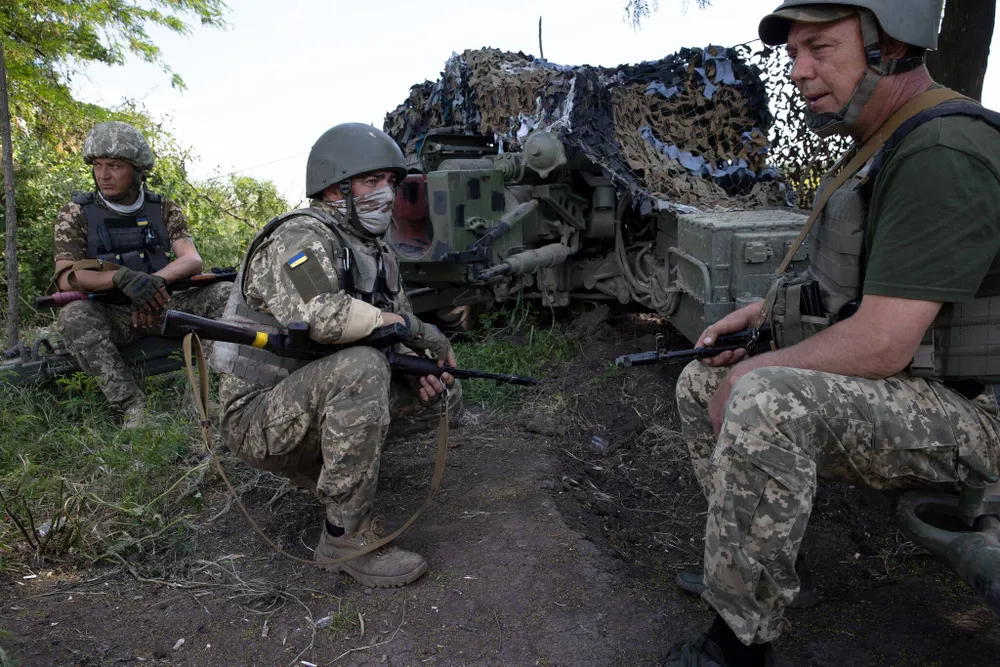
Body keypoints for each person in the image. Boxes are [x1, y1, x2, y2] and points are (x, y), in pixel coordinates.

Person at [665, 2, 1000, 665]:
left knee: (763, 398)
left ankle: (737, 645)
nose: (798, 71)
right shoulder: (885, 136)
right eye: (794, 54)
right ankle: (760, 566)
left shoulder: (942, 150)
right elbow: (858, 292)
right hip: (927, 387)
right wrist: (762, 317)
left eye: (819, 49)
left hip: (978, 413)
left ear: (890, 46)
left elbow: (882, 341)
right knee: (702, 379)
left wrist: (756, 369)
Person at [209, 122, 463, 589]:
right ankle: (344, 539)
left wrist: (418, 363)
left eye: (391, 182)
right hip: (258, 415)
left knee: (441, 393)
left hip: (309, 397)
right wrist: (416, 330)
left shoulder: (373, 248)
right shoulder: (298, 237)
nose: (386, 194)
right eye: (371, 181)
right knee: (361, 369)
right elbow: (323, 316)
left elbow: (390, 324)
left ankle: (330, 469)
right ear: (333, 188)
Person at [53, 121, 231, 429]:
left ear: (137, 171)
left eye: (115, 166)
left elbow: (191, 260)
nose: (103, 175)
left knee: (224, 294)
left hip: (163, 304)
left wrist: (154, 283)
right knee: (74, 316)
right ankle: (132, 406)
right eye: (98, 165)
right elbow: (66, 277)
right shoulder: (76, 213)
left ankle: (212, 392)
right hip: (114, 312)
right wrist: (120, 279)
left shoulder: (162, 208)